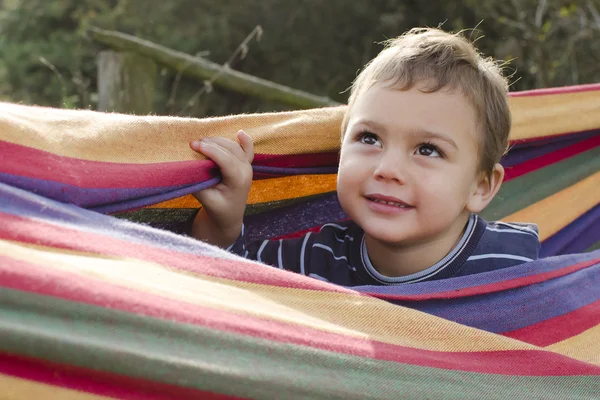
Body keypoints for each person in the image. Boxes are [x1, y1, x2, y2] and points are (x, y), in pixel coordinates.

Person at [188, 27, 540, 285]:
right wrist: (223, 223)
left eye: (427, 149)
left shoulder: (514, 265)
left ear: (480, 186)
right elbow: (232, 282)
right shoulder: (317, 262)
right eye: (369, 138)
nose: (388, 169)